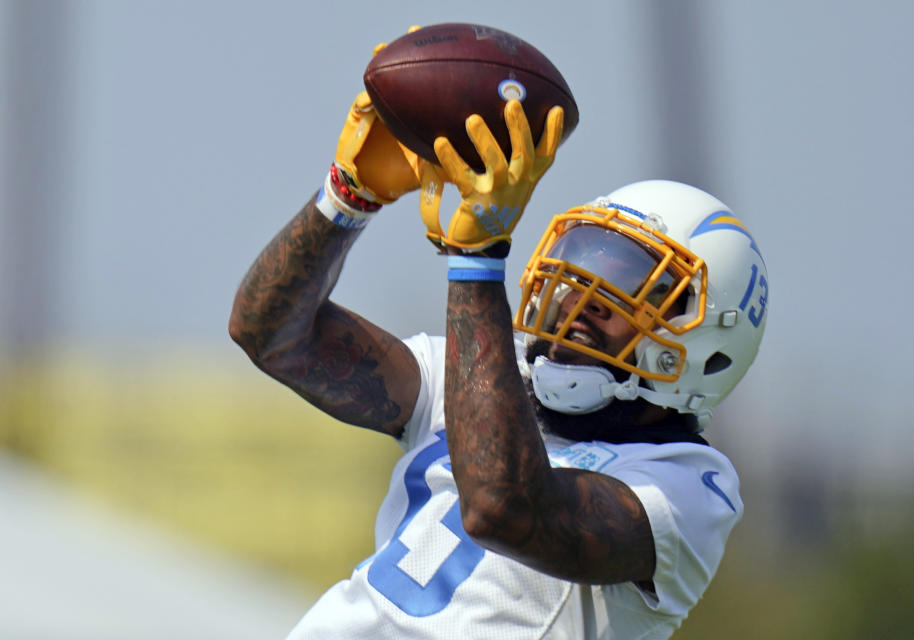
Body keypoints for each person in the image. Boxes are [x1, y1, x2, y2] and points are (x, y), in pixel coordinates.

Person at [229, 46, 768, 640]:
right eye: (581, 266)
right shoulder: (486, 377)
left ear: (705, 343)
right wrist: (347, 198)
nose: (581, 298)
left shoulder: (685, 484)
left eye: (625, 287)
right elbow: (271, 332)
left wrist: (478, 261)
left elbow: (504, 509)